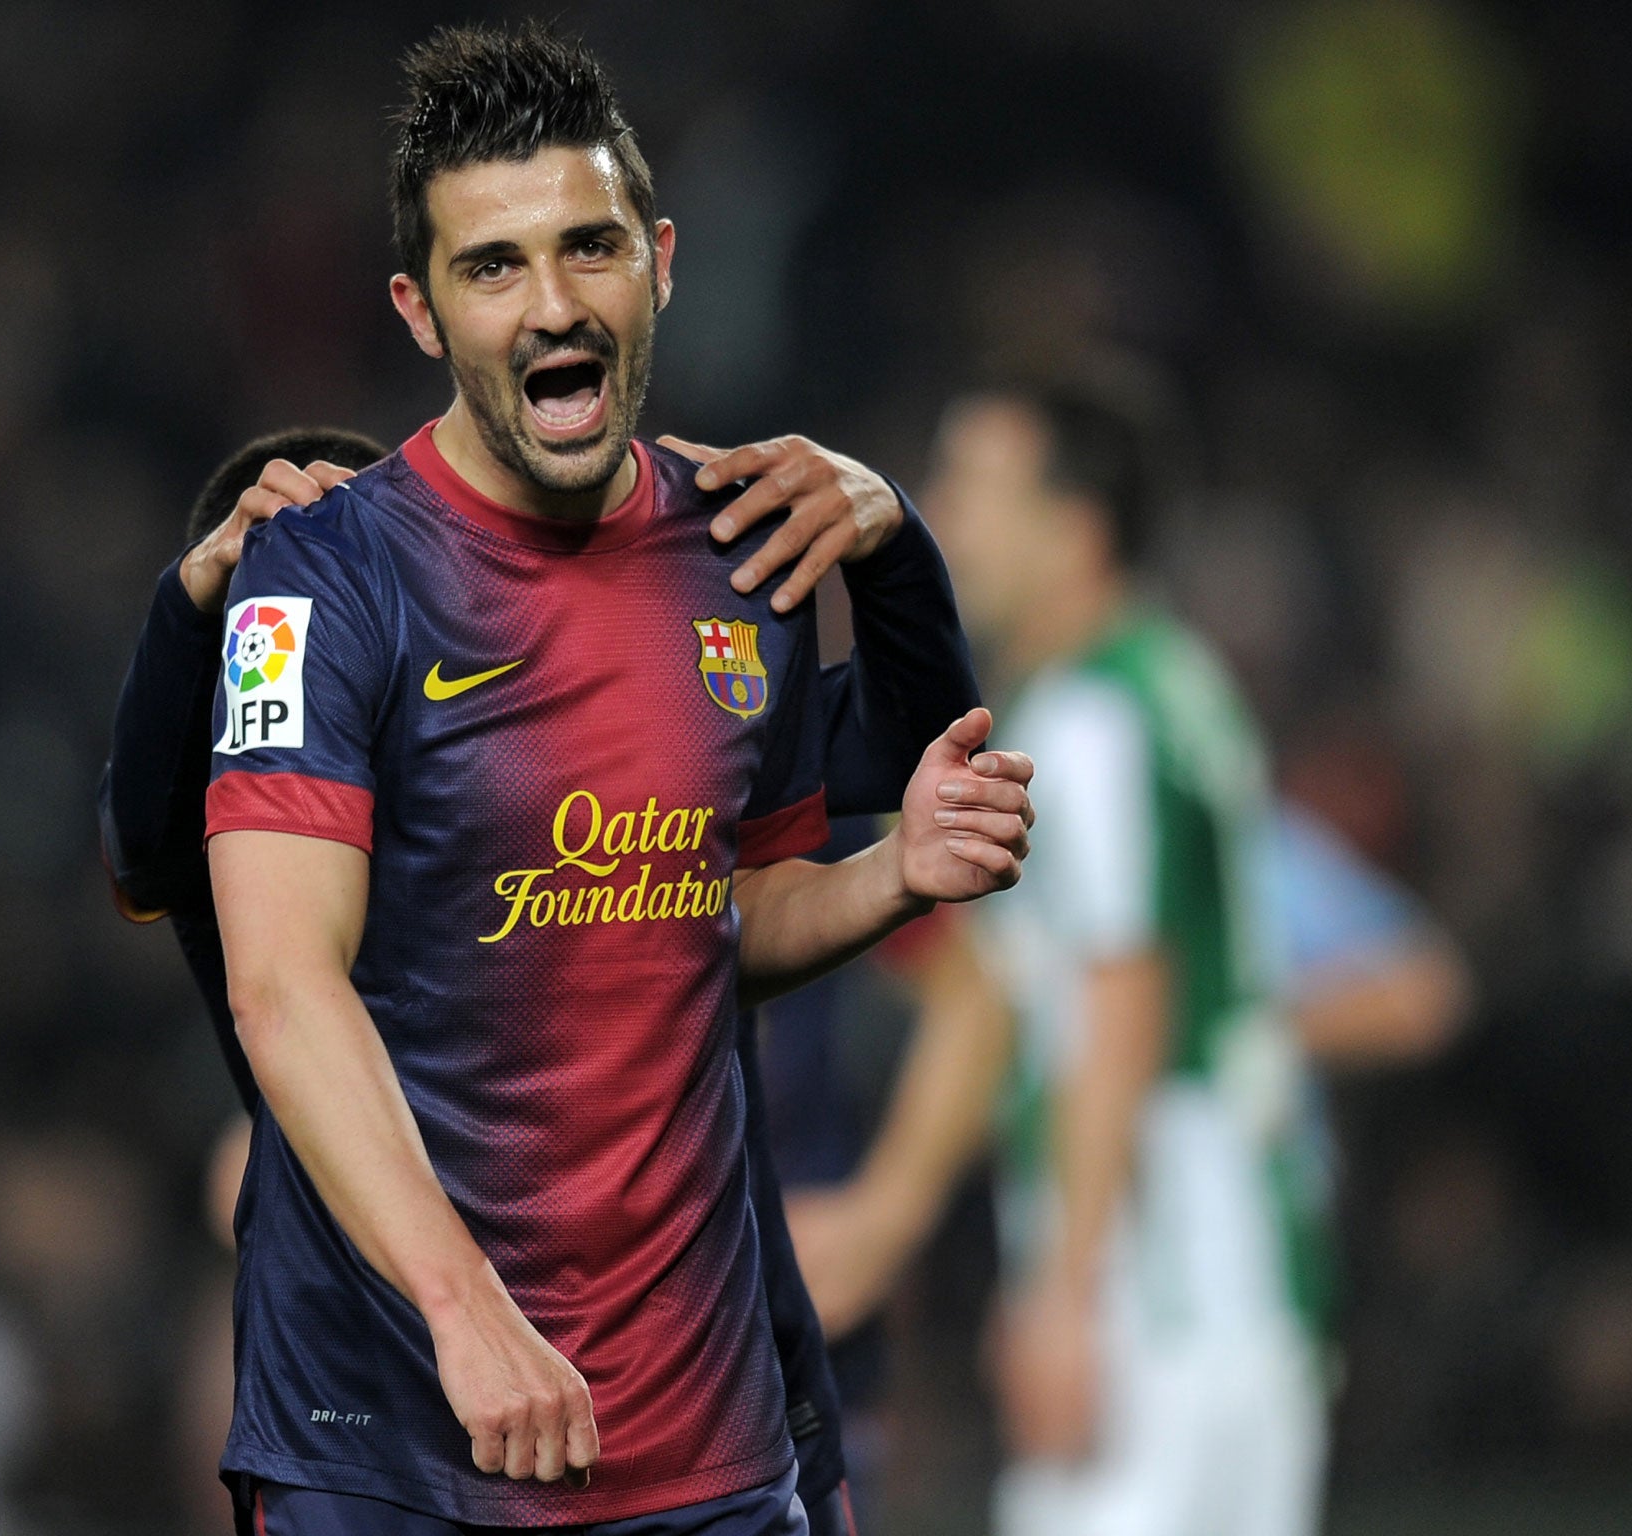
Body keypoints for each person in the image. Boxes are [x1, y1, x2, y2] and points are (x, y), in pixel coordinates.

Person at [197, 22, 1032, 1535]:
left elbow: (719, 916)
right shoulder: (320, 581)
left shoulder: (747, 552)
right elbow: (281, 987)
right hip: (396, 1435)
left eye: (586, 249)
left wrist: (886, 875)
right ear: (420, 310)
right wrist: (466, 1310)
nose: (551, 303)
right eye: (492, 266)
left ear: (657, 259)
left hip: (697, 1441)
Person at [102, 406, 980, 1532]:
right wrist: (197, 596)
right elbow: (143, 834)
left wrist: (889, 540)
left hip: (706, 1377)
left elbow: (911, 747)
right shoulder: (266, 851)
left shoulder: (571, 750)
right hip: (390, 1422)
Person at [921, 379, 1323, 1536]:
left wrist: (1061, 1297)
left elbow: (1119, 1003)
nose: (941, 512)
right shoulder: (1180, 682)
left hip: (1156, 1305)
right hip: (1250, 1277)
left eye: (975, 486)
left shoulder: (1089, 720)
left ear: (1074, 529)